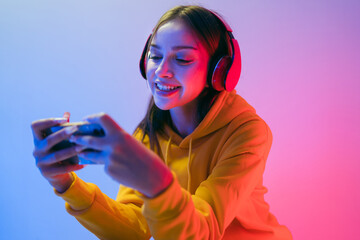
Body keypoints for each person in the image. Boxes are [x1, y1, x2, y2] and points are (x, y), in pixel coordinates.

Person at [31, 5, 292, 240]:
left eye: (182, 59)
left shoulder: (248, 132)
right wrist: (66, 184)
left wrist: (154, 181)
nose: (161, 71)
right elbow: (135, 230)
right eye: (155, 56)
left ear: (219, 71)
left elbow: (204, 231)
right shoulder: (148, 134)